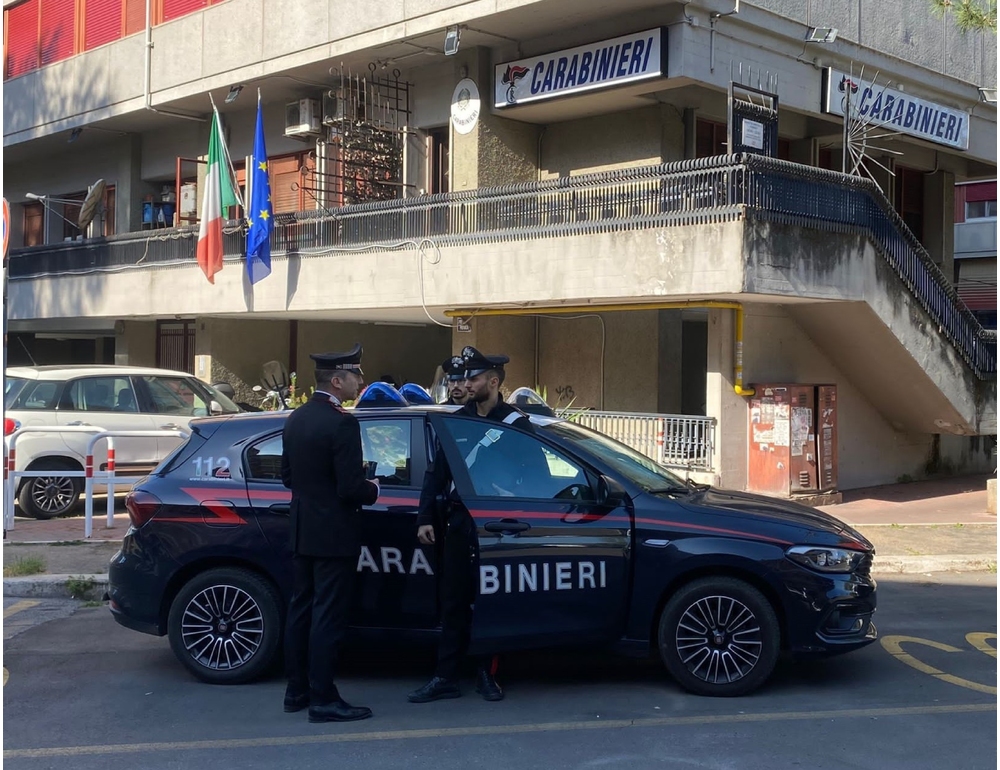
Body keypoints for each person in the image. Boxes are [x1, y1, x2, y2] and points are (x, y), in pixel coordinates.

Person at [407, 346, 533, 704]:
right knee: (454, 602)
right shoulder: (458, 420)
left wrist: (512, 493)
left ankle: (486, 674)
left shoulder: (516, 424)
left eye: (474, 378)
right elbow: (436, 473)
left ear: (493, 382)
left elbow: (534, 473)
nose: (466, 384)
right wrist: (425, 517)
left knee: (488, 603)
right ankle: (445, 676)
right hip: (459, 522)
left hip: (496, 527)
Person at [281, 343, 380, 723]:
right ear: (337, 381)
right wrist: (373, 488)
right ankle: (323, 698)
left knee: (301, 610)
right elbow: (350, 488)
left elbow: (288, 477)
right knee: (327, 616)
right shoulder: (342, 422)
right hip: (334, 534)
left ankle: (297, 690)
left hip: (303, 529)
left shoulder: (297, 417)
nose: (360, 380)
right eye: (356, 374)